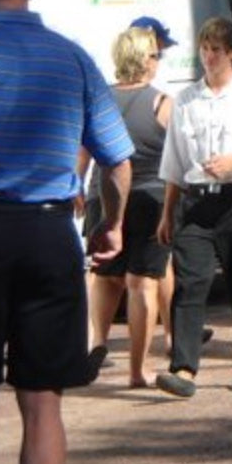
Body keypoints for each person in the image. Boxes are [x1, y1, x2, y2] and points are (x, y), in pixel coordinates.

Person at [0, 0, 133, 464]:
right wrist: (111, 226)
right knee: (42, 400)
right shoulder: (71, 59)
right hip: (48, 235)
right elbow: (119, 162)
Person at [154, 18, 232, 397]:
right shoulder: (187, 99)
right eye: (204, 49)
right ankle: (184, 369)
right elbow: (174, 160)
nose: (208, 56)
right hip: (197, 202)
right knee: (191, 282)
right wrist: (167, 212)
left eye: (216, 50)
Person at [87, 25, 173, 388]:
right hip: (149, 198)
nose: (158, 61)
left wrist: (76, 185)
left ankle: (98, 344)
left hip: (100, 194)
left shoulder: (98, 98)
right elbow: (177, 157)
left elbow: (82, 149)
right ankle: (137, 370)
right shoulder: (162, 102)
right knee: (143, 285)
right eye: (154, 54)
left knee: (105, 277)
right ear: (143, 59)